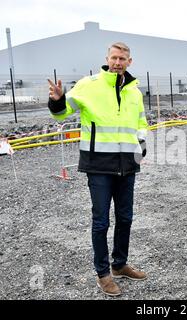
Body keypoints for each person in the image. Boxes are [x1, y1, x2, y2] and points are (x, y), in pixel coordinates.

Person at [47, 42, 149, 296]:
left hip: (128, 165)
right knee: (101, 221)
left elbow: (141, 123)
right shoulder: (88, 84)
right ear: (107, 59)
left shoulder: (135, 92)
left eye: (122, 58)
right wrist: (58, 101)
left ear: (129, 61)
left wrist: (141, 149)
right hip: (98, 165)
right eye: (114, 57)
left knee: (125, 218)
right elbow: (62, 113)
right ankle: (103, 274)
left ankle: (120, 264)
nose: (117, 62)